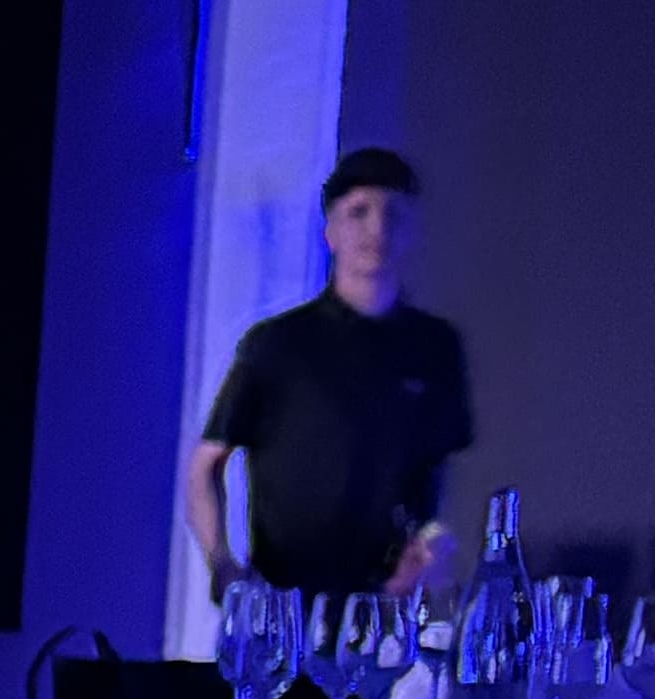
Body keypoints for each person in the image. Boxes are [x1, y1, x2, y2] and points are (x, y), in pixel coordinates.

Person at [185, 146, 474, 603]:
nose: (377, 229)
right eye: (359, 213)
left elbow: (439, 468)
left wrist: (427, 550)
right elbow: (206, 464)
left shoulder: (434, 347)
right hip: (285, 601)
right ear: (330, 230)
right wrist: (221, 564)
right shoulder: (278, 344)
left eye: (393, 214)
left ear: (412, 230)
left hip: (387, 604)